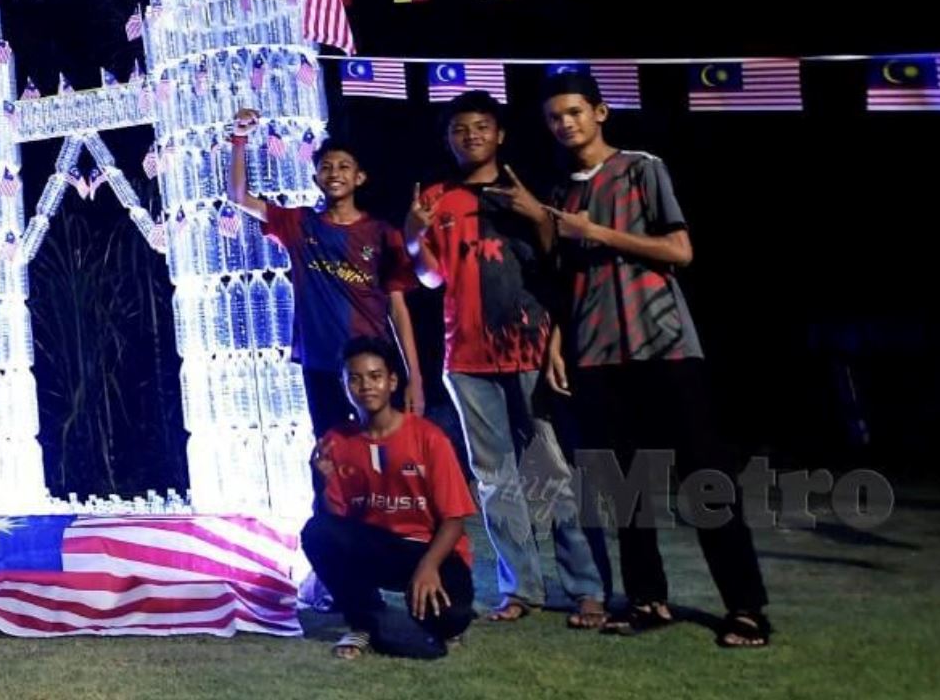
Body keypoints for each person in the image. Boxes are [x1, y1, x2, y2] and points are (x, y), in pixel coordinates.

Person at [538, 70, 772, 648]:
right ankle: (648, 599)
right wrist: (557, 343)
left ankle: (745, 608)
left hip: (664, 346)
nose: (566, 123)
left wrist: (599, 232)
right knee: (624, 486)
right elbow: (567, 279)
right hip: (596, 355)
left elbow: (679, 250)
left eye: (575, 111)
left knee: (704, 478)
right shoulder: (562, 193)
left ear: (600, 112)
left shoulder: (642, 168)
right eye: (555, 117)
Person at [406, 90, 605, 628]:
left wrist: (537, 215)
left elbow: (557, 259)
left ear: (500, 134)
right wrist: (414, 235)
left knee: (551, 473)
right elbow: (431, 279)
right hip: (466, 358)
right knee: (494, 478)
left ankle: (587, 589)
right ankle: (521, 588)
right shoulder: (436, 198)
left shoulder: (526, 188)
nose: (470, 136)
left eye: (481, 126)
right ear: (448, 140)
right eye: (459, 129)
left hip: (529, 349)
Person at [227, 108, 424, 434]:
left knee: (382, 444)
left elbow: (398, 309)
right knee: (331, 448)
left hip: (371, 361)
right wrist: (239, 139)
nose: (334, 173)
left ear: (359, 178)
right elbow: (238, 196)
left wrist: (414, 376)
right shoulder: (298, 223)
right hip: (320, 363)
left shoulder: (381, 233)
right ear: (316, 177)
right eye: (326, 167)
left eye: (344, 167)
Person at [301, 336, 477, 660]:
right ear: (344, 385)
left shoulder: (429, 437)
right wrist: (320, 483)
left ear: (392, 382)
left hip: (430, 550)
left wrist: (428, 566)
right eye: (355, 378)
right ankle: (363, 620)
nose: (366, 386)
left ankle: (421, 616)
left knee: (451, 620)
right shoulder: (336, 442)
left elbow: (454, 519)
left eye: (375, 376)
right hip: (379, 547)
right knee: (316, 532)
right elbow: (334, 524)